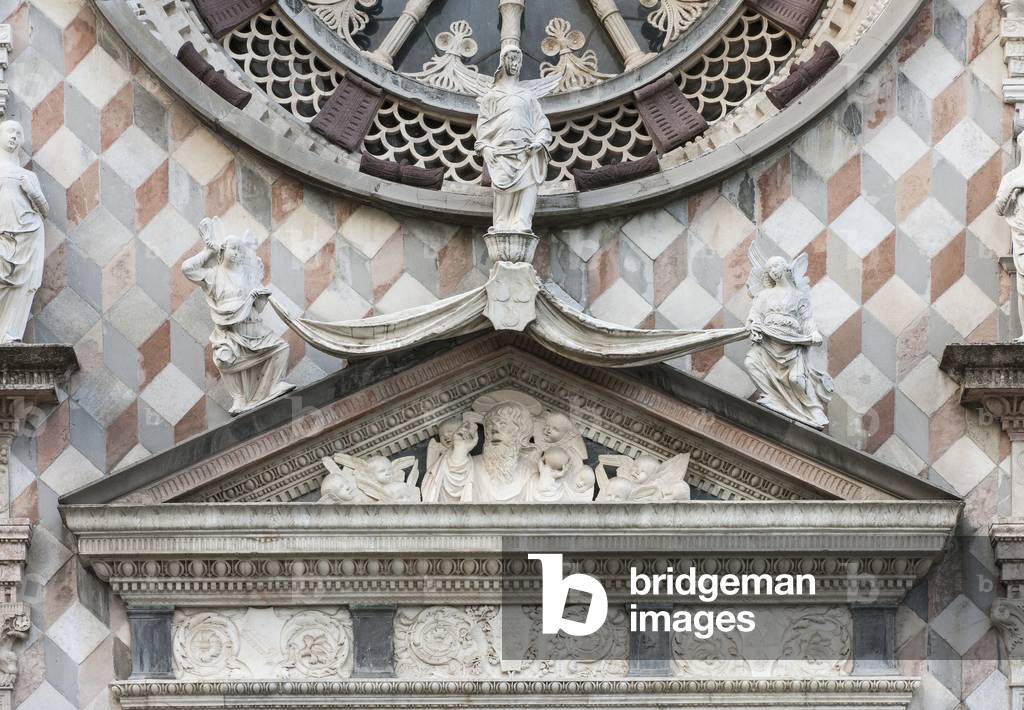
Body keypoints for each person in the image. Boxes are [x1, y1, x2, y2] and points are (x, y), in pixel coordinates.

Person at [182, 218, 294, 415]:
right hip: (228, 331)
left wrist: (260, 298)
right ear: (223, 251)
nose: (237, 253)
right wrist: (208, 251)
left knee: (281, 348)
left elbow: (258, 308)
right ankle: (239, 398)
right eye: (233, 248)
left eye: (240, 251)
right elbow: (187, 269)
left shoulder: (247, 276)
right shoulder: (213, 275)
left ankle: (271, 386)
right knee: (224, 359)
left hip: (252, 328)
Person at [475, 46, 556, 234]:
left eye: (518, 61)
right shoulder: (491, 97)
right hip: (502, 152)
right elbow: (483, 127)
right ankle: (502, 223)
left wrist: (539, 142)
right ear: (503, 62)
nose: (515, 64)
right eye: (511, 60)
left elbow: (541, 123)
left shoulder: (528, 96)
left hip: (527, 153)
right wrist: (485, 147)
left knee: (528, 189)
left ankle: (522, 224)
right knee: (502, 190)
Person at [0, 121, 47, 344]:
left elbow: (44, 210)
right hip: (2, 234)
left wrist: (33, 191)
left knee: (22, 285)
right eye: (10, 131)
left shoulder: (27, 176)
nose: (14, 136)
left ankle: (9, 333)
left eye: (18, 133)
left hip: (28, 233)